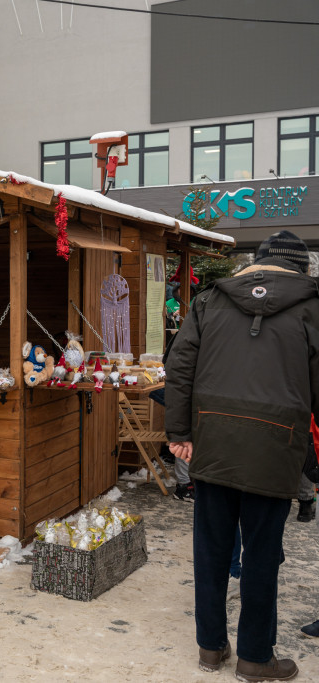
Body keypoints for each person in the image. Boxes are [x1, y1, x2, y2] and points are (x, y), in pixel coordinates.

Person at [166, 230, 319, 680]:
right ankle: (255, 657)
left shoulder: (209, 300)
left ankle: (210, 648)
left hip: (212, 440)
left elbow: (179, 366)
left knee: (211, 549)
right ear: (301, 269)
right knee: (261, 553)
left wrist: (179, 432)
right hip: (277, 445)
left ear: (257, 263)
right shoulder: (313, 307)